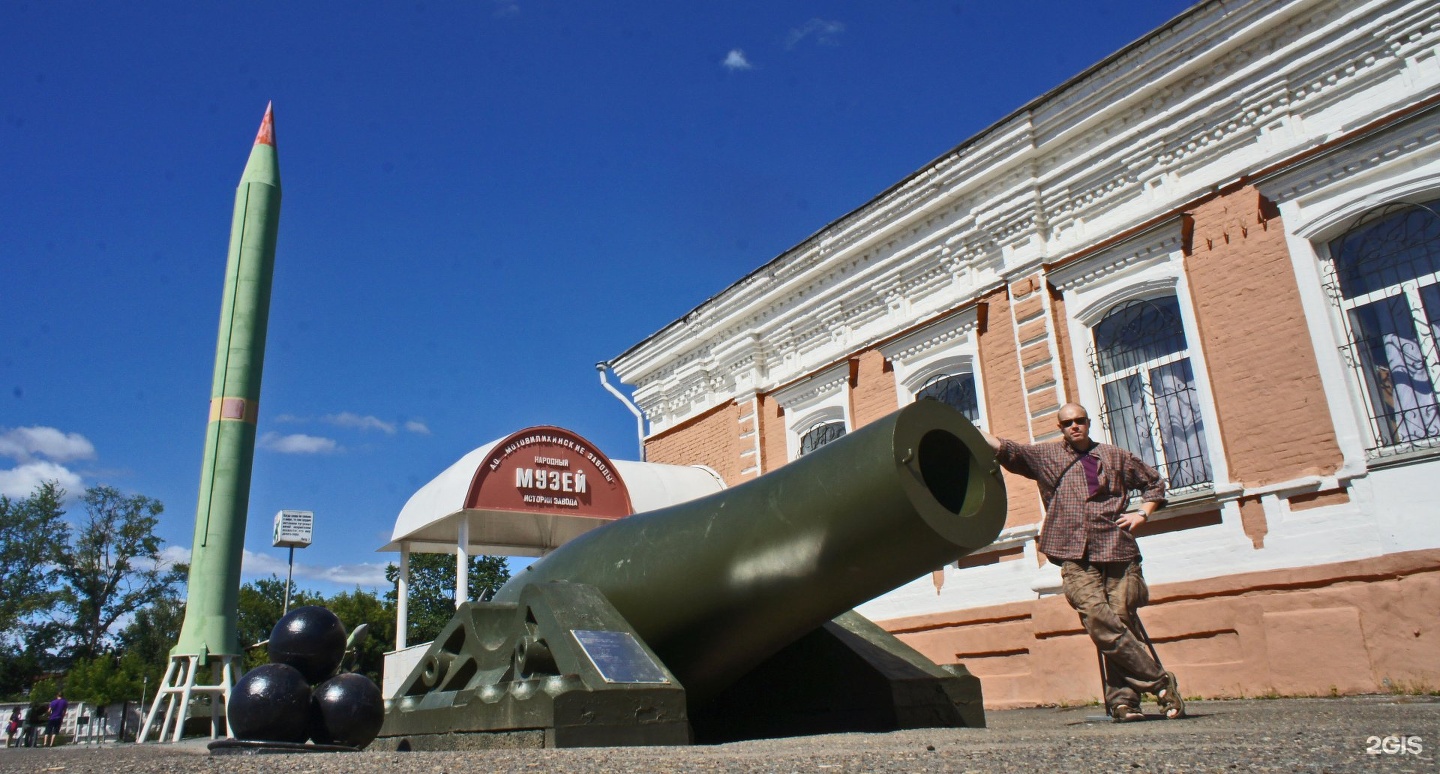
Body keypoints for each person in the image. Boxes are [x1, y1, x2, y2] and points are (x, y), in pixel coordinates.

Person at [978, 402, 1185, 722]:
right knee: (1098, 619)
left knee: (1120, 620)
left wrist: (1142, 514)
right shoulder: (1047, 457)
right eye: (1067, 423)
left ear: (1088, 423)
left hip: (1118, 550)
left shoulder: (1115, 456)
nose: (1074, 426)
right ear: (1060, 428)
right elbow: (1008, 450)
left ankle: (1123, 702)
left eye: (1080, 421)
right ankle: (1159, 682)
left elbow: (1153, 483)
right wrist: (969, 429)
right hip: (1074, 555)